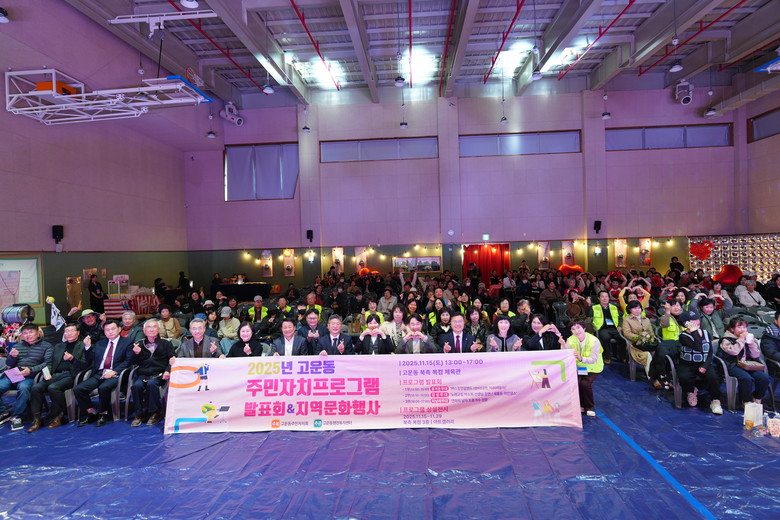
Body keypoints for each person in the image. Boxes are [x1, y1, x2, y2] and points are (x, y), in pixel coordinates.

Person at [27, 323, 90, 431]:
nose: (69, 333)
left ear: (78, 332)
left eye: (72, 331)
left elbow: (85, 365)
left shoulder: (83, 345)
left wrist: (72, 359)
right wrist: (47, 373)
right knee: (36, 387)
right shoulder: (58, 346)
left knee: (53, 388)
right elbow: (50, 362)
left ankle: (58, 416)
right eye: (67, 331)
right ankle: (37, 419)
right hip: (55, 374)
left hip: (72, 375)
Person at [74, 320, 134, 427]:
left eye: (113, 329)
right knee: (79, 388)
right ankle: (91, 411)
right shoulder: (100, 343)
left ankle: (103, 413)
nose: (110, 332)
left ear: (119, 329)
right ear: (104, 332)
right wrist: (87, 347)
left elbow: (128, 361)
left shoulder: (127, 342)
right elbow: (90, 359)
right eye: (107, 330)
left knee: (103, 388)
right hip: (100, 373)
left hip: (116, 374)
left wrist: (114, 371)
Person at [0, 324, 53, 431]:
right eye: (25, 333)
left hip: (30, 376)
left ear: (38, 333)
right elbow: (9, 363)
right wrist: (12, 357)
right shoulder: (17, 346)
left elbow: (48, 363)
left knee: (23, 388)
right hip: (13, 375)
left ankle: (17, 416)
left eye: (31, 332)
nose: (28, 335)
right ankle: (3, 412)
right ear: (22, 335)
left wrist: (30, 370)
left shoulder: (47, 346)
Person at [130, 320, 175, 427]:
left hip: (160, 373)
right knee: (136, 386)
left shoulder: (166, 343)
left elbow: (172, 360)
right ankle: (139, 414)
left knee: (151, 384)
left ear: (158, 329)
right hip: (144, 373)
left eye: (154, 327)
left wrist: (167, 370)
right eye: (149, 327)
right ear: (144, 331)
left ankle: (155, 413)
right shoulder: (139, 344)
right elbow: (133, 362)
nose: (151, 329)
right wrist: (136, 353)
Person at [720, 317, 771, 407]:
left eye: (744, 327)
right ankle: (746, 401)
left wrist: (751, 344)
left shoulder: (748, 338)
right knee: (746, 378)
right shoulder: (726, 339)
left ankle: (756, 397)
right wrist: (741, 340)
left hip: (748, 364)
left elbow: (756, 355)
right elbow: (734, 352)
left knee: (764, 378)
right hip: (733, 364)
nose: (742, 330)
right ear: (732, 329)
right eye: (739, 327)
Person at [564, 321, 603, 417]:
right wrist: (563, 345)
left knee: (585, 383)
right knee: (576, 382)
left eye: (578, 328)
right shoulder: (570, 340)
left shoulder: (594, 341)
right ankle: (580, 404)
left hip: (593, 367)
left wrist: (581, 358)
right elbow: (565, 355)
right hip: (578, 367)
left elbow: (594, 359)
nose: (576, 331)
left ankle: (590, 407)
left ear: (584, 328)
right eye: (573, 329)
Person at [621, 300, 658, 385]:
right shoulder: (626, 320)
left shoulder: (646, 319)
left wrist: (650, 338)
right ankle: (653, 379)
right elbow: (627, 334)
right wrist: (640, 336)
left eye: (638, 308)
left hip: (647, 344)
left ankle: (662, 377)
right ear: (630, 309)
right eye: (634, 308)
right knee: (647, 355)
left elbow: (651, 333)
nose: (637, 310)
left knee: (659, 353)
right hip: (634, 345)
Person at [590, 291, 621, 363]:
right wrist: (588, 305)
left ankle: (621, 356)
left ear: (609, 298)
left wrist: (620, 325)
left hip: (614, 328)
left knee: (622, 338)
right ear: (599, 298)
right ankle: (607, 357)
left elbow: (620, 318)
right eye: (602, 297)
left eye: (606, 296)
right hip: (602, 328)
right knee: (605, 338)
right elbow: (589, 317)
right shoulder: (594, 307)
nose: (605, 298)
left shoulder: (614, 307)